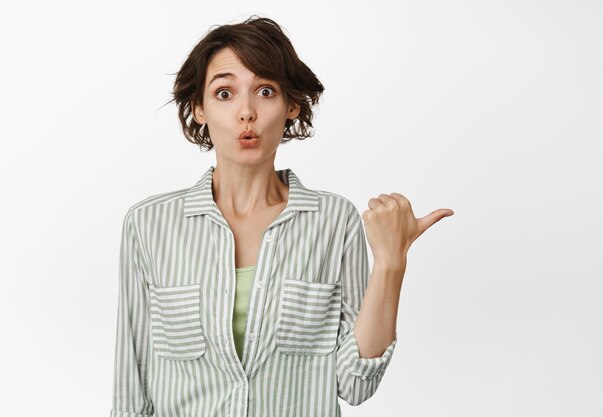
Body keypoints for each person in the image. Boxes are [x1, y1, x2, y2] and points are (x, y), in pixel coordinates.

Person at [109, 15, 454, 417]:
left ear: (292, 105)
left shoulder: (333, 221)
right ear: (198, 108)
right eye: (224, 93)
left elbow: (355, 383)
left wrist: (391, 262)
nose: (246, 112)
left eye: (266, 90)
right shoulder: (149, 225)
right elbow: (132, 390)